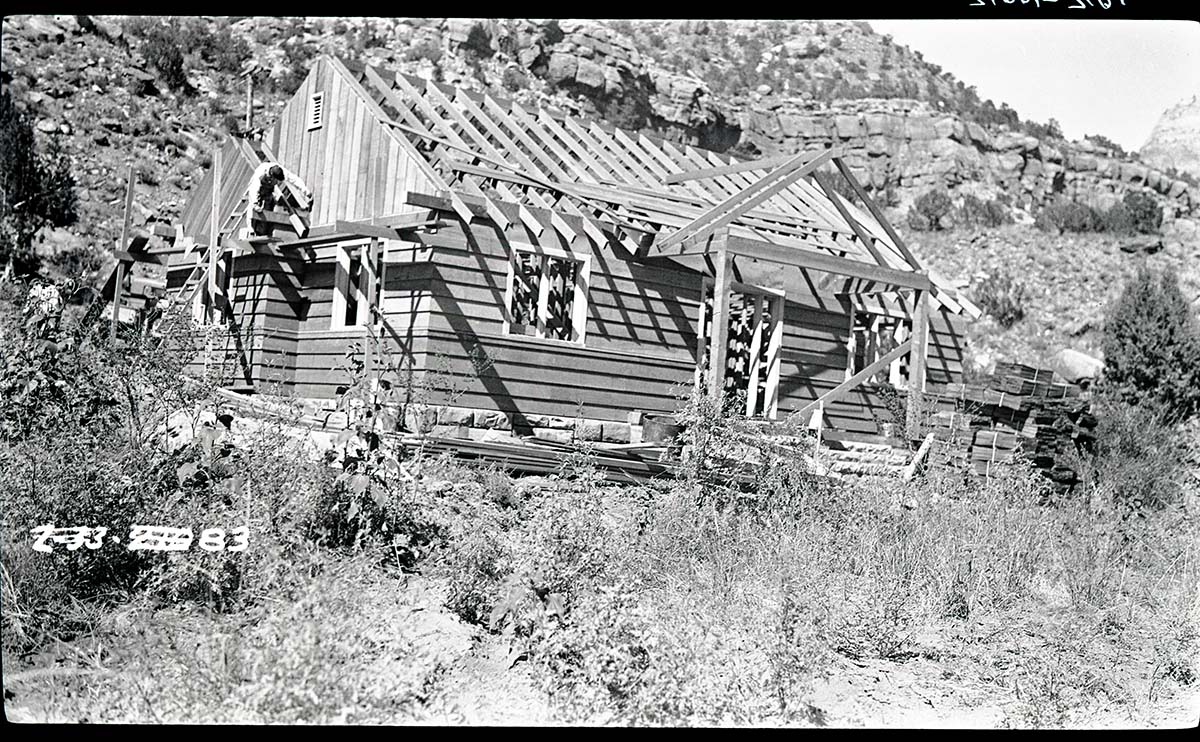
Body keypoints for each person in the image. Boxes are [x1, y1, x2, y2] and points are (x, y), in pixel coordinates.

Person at [241, 163, 312, 239]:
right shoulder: (260, 173)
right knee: (253, 210)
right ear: (271, 175)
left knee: (266, 213)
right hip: (259, 191)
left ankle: (262, 233)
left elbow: (294, 179)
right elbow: (254, 190)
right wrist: (255, 204)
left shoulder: (281, 171)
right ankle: (251, 230)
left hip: (268, 191)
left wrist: (306, 191)